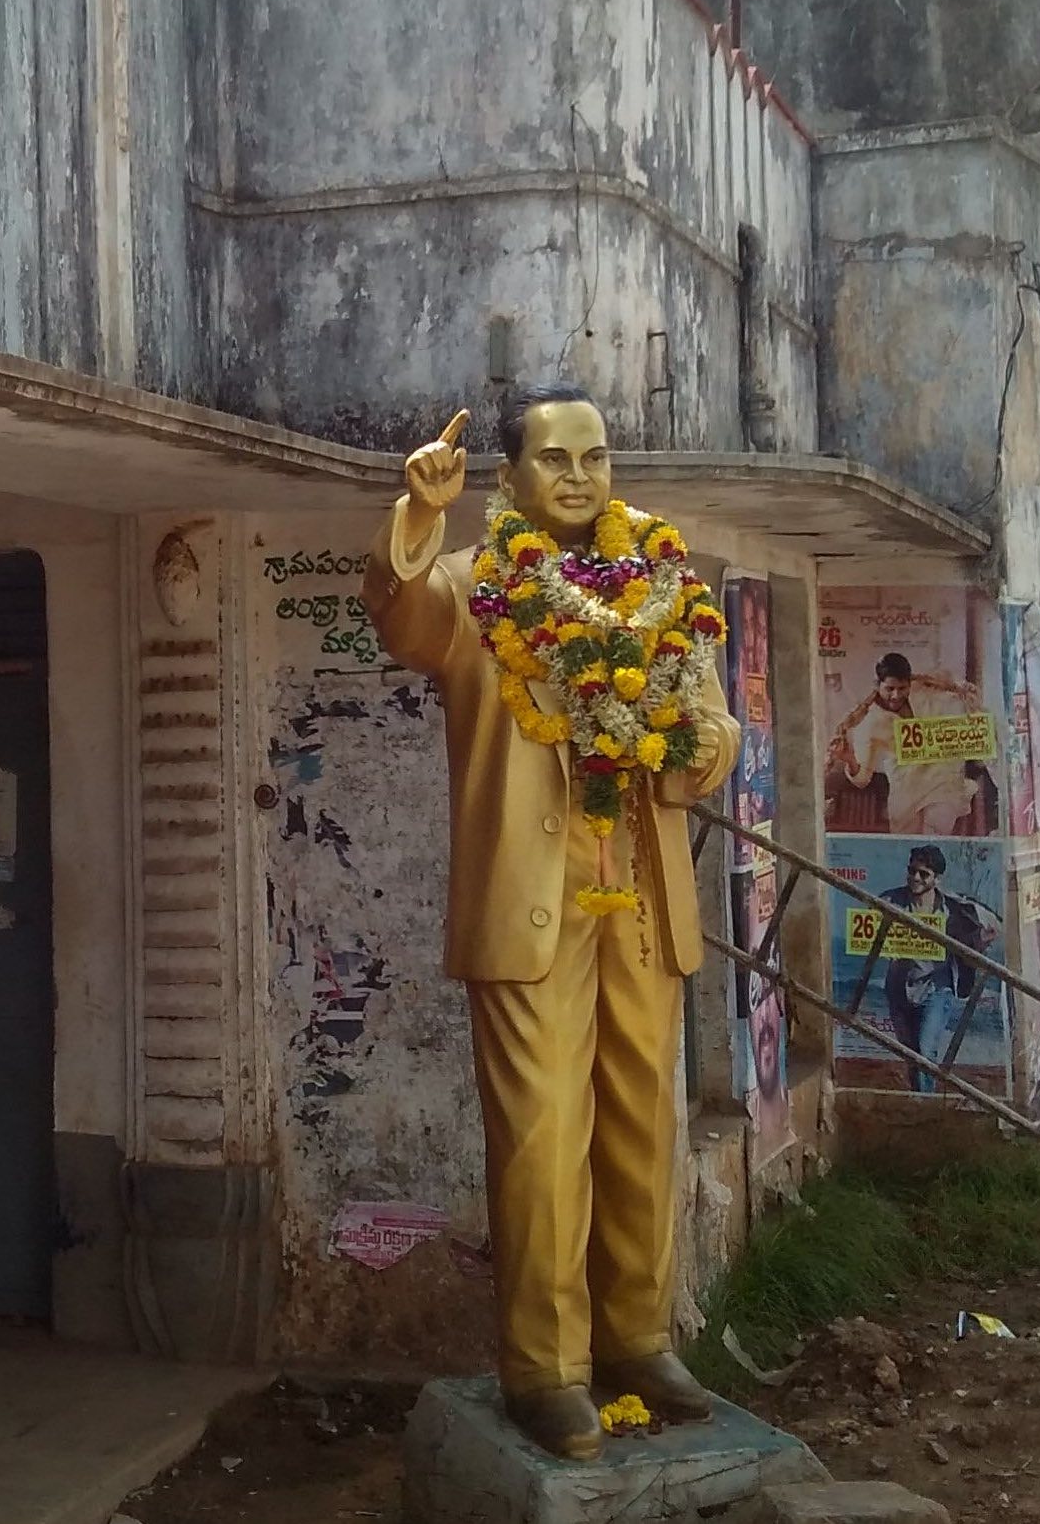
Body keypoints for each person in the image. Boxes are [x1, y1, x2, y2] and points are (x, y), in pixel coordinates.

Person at [362, 386, 740, 1459]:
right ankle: (546, 1369)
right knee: (538, 1141)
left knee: (638, 1129)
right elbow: (398, 615)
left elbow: (714, 730)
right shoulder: (475, 589)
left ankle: (636, 1340)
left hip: (640, 890)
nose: (577, 474)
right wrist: (416, 514)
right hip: (531, 898)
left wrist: (687, 744)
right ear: (512, 479)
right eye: (554, 458)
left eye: (594, 455)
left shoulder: (663, 588)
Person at [873, 845, 1002, 1094]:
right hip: (899, 988)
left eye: (924, 874)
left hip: (937, 988)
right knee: (910, 1052)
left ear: (936, 879)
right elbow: (866, 927)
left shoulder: (952, 908)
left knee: (925, 1049)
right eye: (912, 871)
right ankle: (920, 1097)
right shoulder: (890, 901)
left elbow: (981, 930)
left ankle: (926, 1104)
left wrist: (983, 939)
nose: (916, 878)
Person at [829, 652, 988, 833]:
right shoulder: (868, 723)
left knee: (936, 836)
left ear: (909, 683)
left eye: (902, 688)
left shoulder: (924, 689)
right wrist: (849, 759)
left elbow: (961, 693)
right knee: (908, 851)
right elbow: (862, 779)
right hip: (906, 790)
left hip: (942, 781)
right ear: (877, 685)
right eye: (889, 689)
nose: (896, 695)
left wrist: (965, 694)